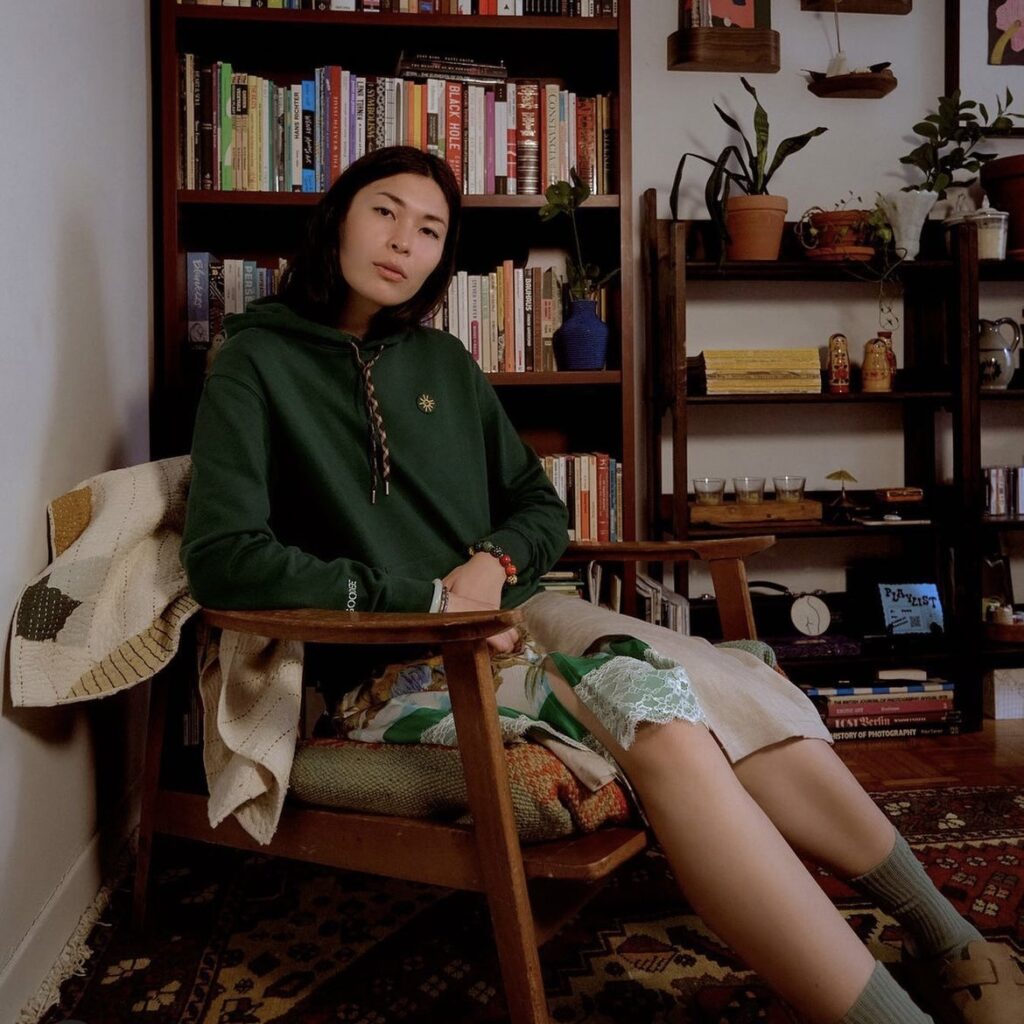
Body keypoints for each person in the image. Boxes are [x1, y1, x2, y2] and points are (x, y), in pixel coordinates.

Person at [181, 146, 1021, 1024]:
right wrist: (431, 602)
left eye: (429, 229)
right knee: (659, 718)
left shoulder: (443, 363)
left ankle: (951, 936)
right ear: (338, 218)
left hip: (517, 608)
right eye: (384, 212)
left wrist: (491, 566)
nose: (403, 243)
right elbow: (226, 556)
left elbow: (538, 509)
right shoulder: (254, 361)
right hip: (403, 657)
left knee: (723, 678)